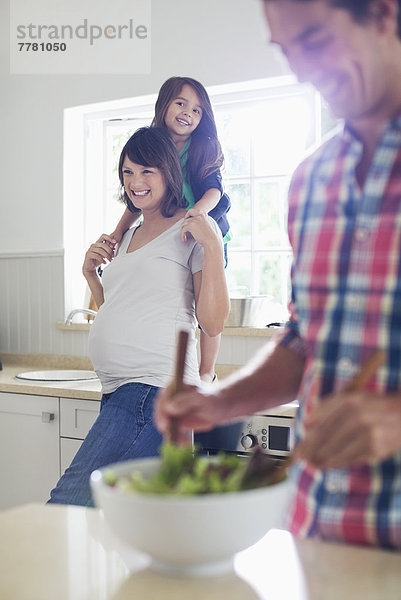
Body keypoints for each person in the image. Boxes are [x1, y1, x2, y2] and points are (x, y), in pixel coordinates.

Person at [155, 0, 401, 549]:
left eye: (313, 42)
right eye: (286, 52)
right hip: (318, 529)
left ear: (383, 14)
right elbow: (304, 341)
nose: (301, 73)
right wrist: (218, 402)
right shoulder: (313, 181)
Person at [48, 126, 229, 506]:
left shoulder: (191, 229)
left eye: (146, 171)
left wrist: (212, 244)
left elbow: (212, 322)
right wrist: (90, 276)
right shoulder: (129, 234)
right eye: (128, 172)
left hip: (152, 389)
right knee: (125, 521)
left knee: (71, 502)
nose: (135, 182)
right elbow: (118, 307)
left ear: (168, 172)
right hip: (117, 390)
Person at [107, 76, 231, 385]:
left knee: (206, 299)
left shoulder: (202, 147)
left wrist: (197, 216)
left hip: (203, 224)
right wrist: (117, 233)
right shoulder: (152, 147)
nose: (188, 113)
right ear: (164, 105)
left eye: (198, 110)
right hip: (170, 228)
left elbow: (214, 191)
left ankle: (206, 371)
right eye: (180, 103)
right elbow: (136, 199)